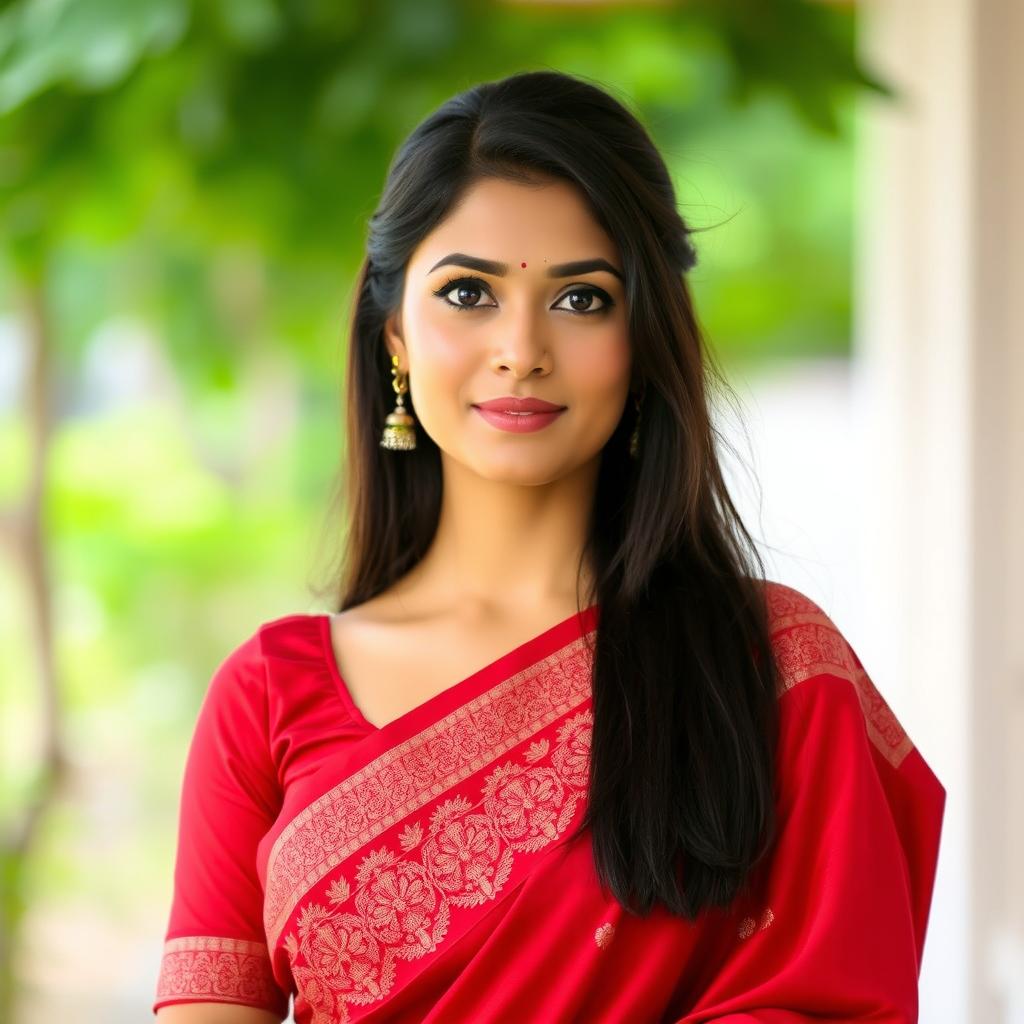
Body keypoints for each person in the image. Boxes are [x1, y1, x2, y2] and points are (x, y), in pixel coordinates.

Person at [152, 69, 946, 1023]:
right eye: (467, 293)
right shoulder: (270, 691)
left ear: (644, 337)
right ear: (395, 334)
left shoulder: (768, 666)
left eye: (582, 301)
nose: (521, 347)